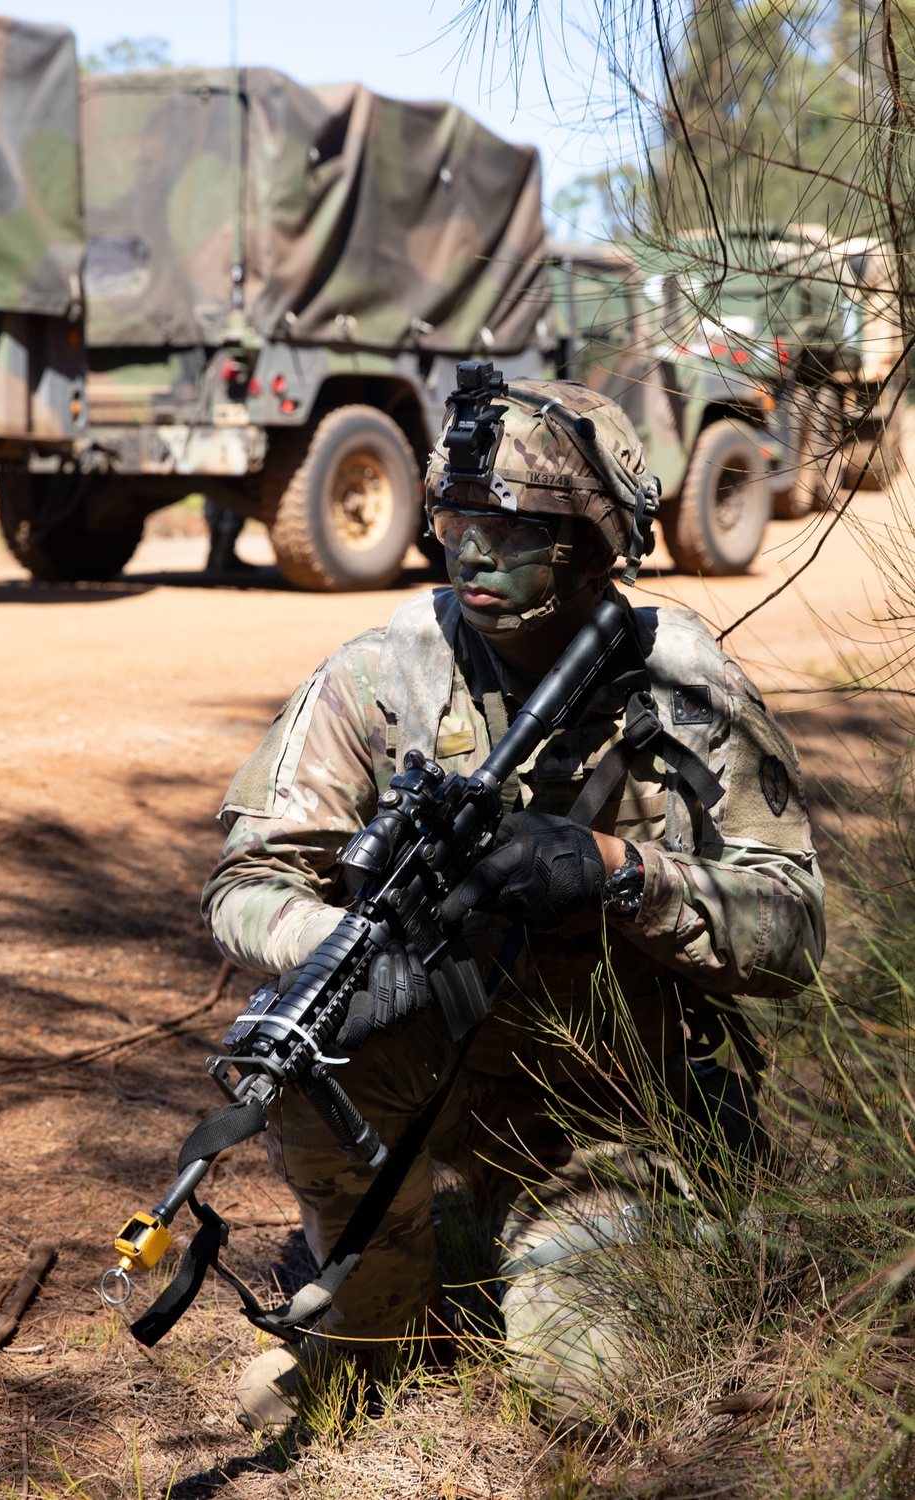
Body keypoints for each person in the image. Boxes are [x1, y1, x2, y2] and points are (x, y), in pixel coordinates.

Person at [201, 364, 825, 1434]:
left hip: (615, 1096)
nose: (474, 553)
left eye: (516, 527)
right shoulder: (383, 669)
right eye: (453, 519)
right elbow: (246, 885)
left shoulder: (678, 685)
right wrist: (360, 945)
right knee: (298, 1045)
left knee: (586, 1390)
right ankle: (371, 1329)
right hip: (445, 1076)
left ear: (592, 546)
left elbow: (792, 932)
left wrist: (618, 874)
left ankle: (577, 1240)